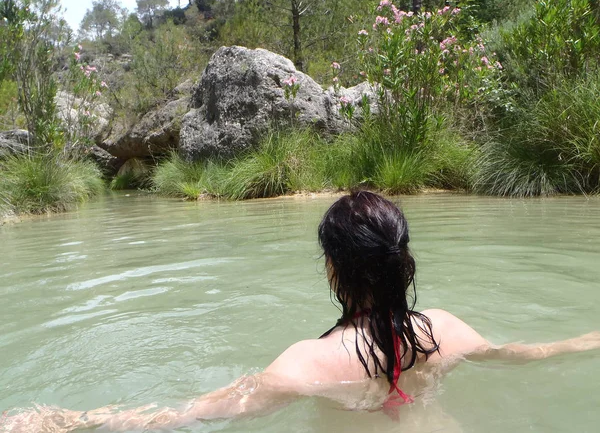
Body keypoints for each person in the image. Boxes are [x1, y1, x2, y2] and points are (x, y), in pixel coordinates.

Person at [2, 191, 600, 432]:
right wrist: (583, 341)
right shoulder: (444, 327)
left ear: (334, 269)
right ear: (401, 261)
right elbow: (520, 355)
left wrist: (70, 419)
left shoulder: (305, 365)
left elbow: (190, 414)